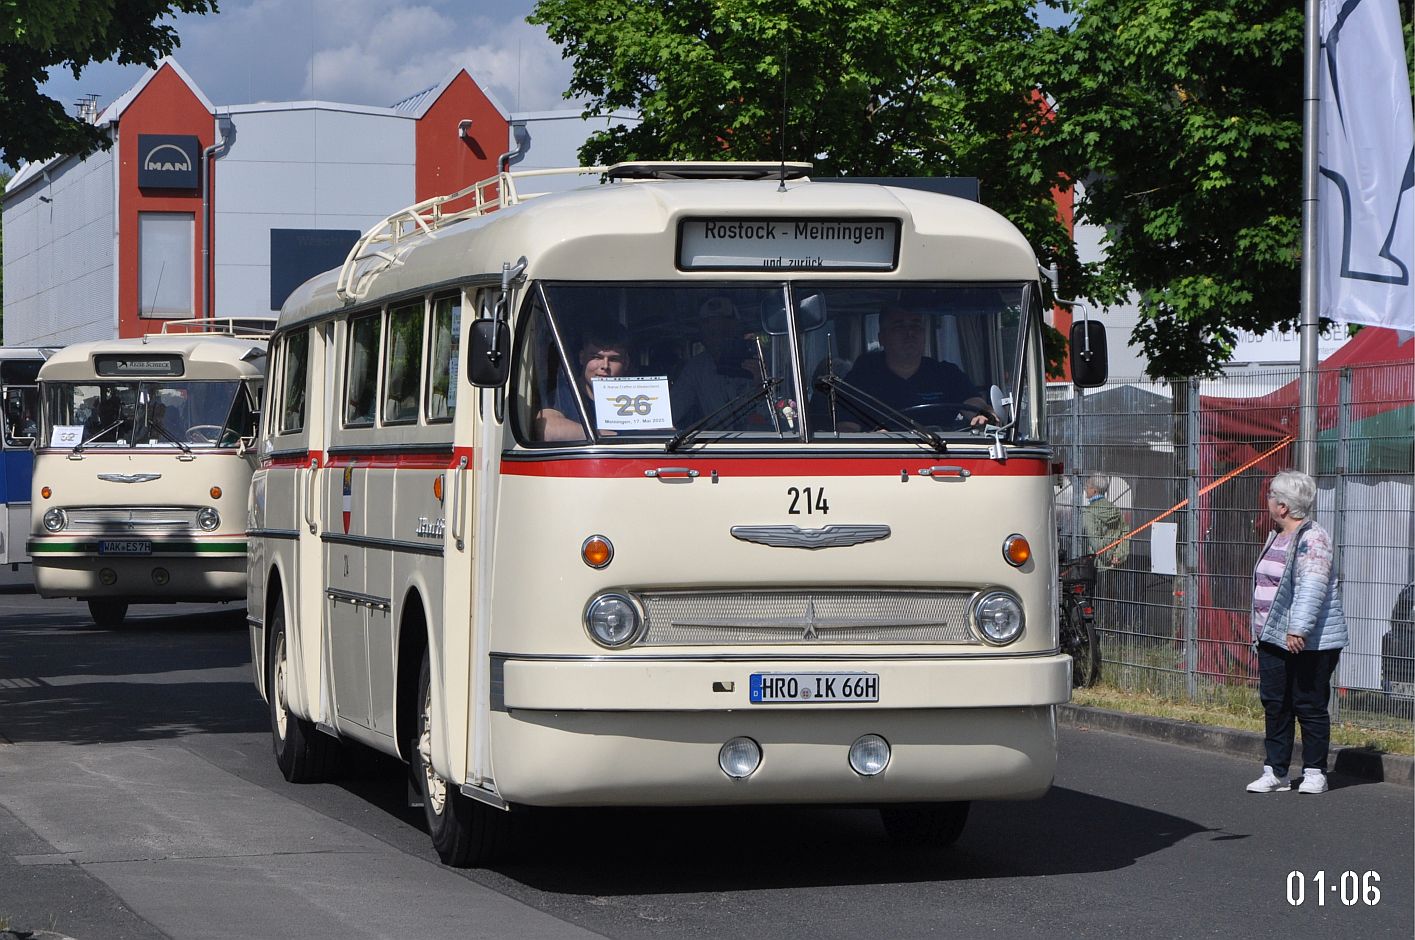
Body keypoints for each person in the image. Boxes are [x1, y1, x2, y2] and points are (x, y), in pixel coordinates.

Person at [1246, 469, 1348, 795]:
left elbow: (1312, 587)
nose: (1268, 500)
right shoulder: (1277, 535)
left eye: (1272, 496)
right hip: (1272, 637)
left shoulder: (1313, 538)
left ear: (1284, 506)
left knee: (1309, 704)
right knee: (1276, 704)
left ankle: (1315, 771)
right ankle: (1275, 770)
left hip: (1309, 641)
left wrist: (1298, 629)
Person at [831, 305, 991, 431]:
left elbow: (974, 404)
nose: (910, 333)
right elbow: (846, 428)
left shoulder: (946, 373)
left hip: (942, 457)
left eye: (916, 326)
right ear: (882, 338)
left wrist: (982, 414)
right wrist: (872, 439)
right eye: (899, 327)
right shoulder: (861, 379)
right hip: (882, 460)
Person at [672, 296, 766, 427]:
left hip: (764, 441)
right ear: (702, 335)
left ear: (736, 329)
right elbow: (673, 410)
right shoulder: (695, 369)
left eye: (724, 331)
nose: (718, 338)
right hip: (718, 443)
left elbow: (786, 411)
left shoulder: (762, 359)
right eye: (711, 332)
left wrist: (761, 384)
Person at [534, 323, 633, 442]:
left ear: (626, 363)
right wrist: (600, 435)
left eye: (613, 359)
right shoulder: (563, 394)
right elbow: (547, 430)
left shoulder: (638, 397)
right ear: (582, 358)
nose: (605, 366)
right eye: (596, 357)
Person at [1081, 473, 1129, 568]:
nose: (1085, 489)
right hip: (1114, 563)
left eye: (1087, 486)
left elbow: (1094, 540)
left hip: (1095, 564)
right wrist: (1117, 556)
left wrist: (1107, 557)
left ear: (1094, 490)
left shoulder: (1089, 511)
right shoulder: (1116, 510)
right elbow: (1125, 534)